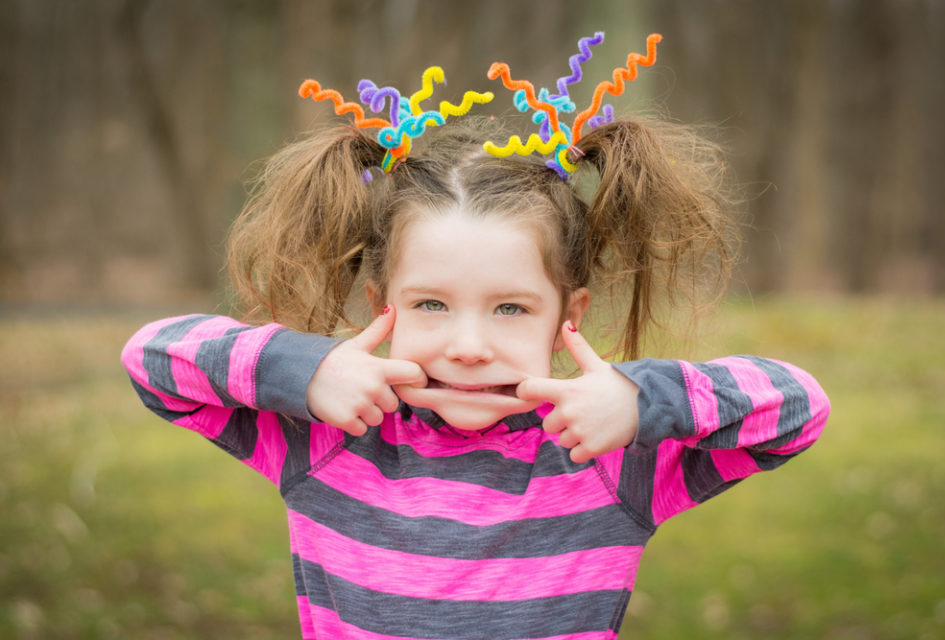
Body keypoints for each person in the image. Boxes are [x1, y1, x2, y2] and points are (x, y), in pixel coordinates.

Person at [122, 33, 829, 640]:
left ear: (567, 316)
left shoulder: (606, 452)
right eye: (430, 304)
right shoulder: (331, 435)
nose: (467, 345)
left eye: (511, 309)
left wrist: (642, 402)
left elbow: (797, 410)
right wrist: (305, 371)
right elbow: (153, 359)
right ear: (380, 304)